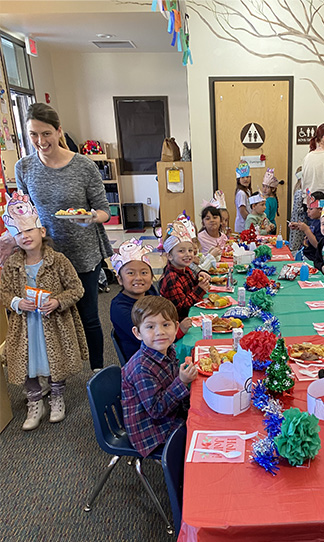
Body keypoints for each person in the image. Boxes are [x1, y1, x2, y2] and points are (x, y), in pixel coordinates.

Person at [15, 103, 112, 372]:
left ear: (59, 131)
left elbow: (104, 209)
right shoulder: (24, 167)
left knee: (89, 315)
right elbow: (26, 212)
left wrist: (91, 217)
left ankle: (97, 369)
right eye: (33, 134)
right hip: (45, 255)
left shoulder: (83, 166)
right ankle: (57, 376)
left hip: (83, 251)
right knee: (49, 316)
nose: (40, 141)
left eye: (46, 133)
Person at [0, 196, 88, 430]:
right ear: (14, 238)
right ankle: (34, 401)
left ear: (42, 230)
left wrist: (58, 301)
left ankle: (57, 396)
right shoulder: (12, 264)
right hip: (25, 325)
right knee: (27, 362)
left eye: (29, 230)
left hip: (54, 323)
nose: (25, 236)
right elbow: (4, 292)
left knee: (54, 360)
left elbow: (77, 288)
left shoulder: (58, 261)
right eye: (19, 233)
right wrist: (17, 302)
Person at [121, 296, 197, 458]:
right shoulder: (141, 368)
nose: (160, 332)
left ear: (176, 328)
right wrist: (182, 382)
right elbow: (156, 410)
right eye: (150, 327)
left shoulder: (166, 350)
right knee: (200, 435)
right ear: (138, 333)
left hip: (169, 413)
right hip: (152, 430)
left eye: (166, 324)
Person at [109, 242, 191, 363]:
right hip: (145, 361)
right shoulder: (119, 307)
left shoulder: (150, 291)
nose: (138, 278)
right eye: (131, 273)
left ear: (152, 277)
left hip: (163, 349)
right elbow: (149, 338)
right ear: (120, 279)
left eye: (144, 273)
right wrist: (178, 332)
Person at [158, 221, 210, 321]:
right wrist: (200, 289)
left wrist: (200, 280)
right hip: (180, 322)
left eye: (190, 250)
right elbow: (181, 309)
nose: (188, 254)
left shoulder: (185, 268)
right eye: (181, 251)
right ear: (169, 256)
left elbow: (191, 287)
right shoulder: (172, 278)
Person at [288, 190, 324, 261]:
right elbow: (313, 231)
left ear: (320, 209)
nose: (307, 211)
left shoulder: (323, 224)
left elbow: (317, 245)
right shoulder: (314, 220)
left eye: (311, 209)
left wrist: (306, 230)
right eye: (307, 208)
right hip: (305, 253)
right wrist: (299, 226)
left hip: (312, 258)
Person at [288, 166, 307, 252]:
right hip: (299, 221)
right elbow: (299, 209)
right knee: (296, 244)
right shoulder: (300, 192)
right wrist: (307, 208)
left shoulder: (299, 190)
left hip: (298, 221)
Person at [261, 168, 283, 233]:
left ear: (273, 189)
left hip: (269, 226)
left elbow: (265, 215)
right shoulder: (274, 199)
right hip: (274, 225)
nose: (264, 189)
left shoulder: (267, 201)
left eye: (267, 187)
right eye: (263, 186)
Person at [234, 161, 252, 233]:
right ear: (238, 180)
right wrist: (251, 220)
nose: (245, 179)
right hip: (243, 226)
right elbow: (242, 210)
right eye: (242, 177)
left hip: (246, 225)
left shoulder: (248, 191)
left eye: (247, 177)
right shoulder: (241, 193)